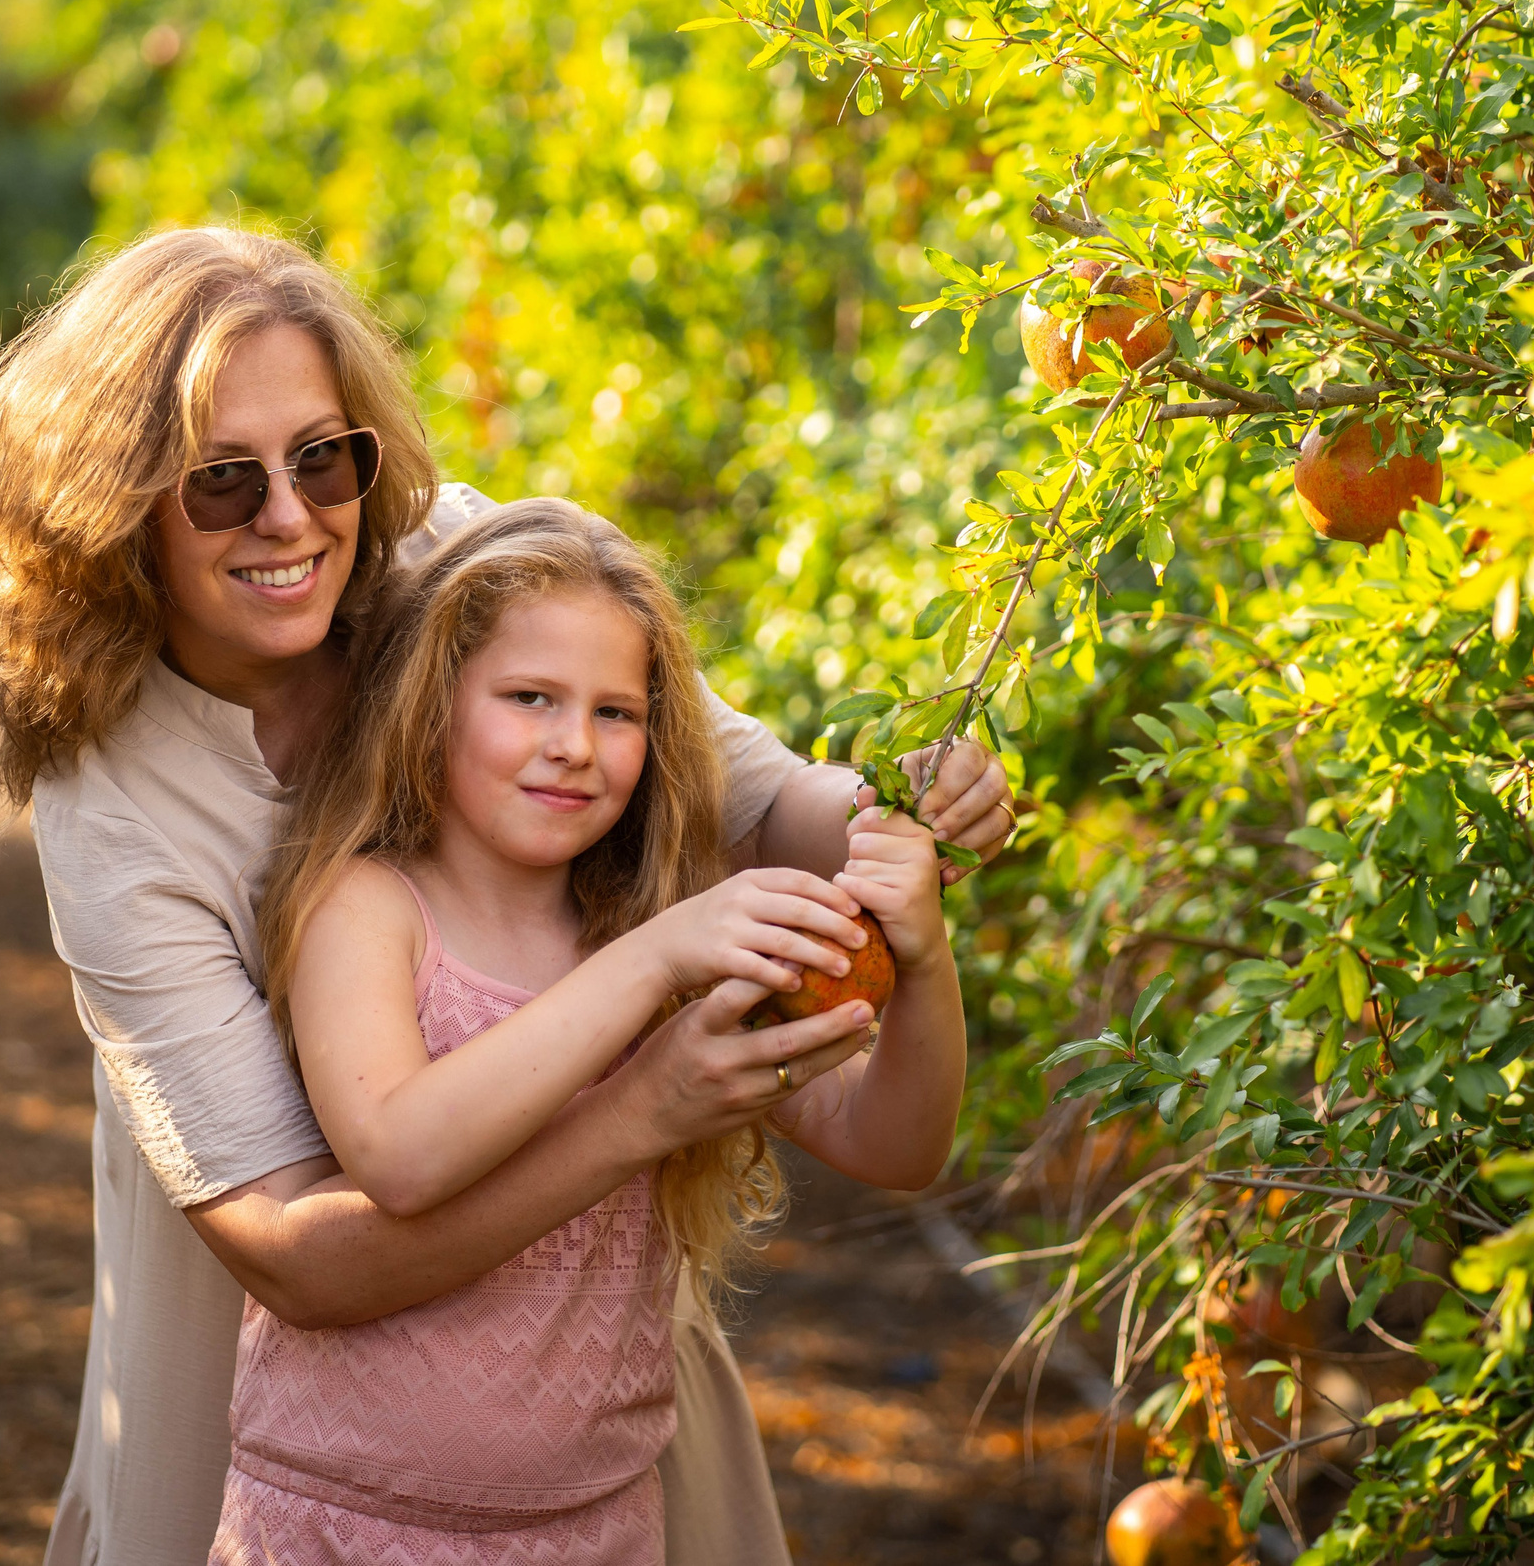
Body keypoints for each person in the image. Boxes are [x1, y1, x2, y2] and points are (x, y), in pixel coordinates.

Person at [0, 226, 1018, 1566]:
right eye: (222, 483)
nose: (291, 516)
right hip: (294, 1366)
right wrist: (649, 1092)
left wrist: (891, 821)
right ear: (113, 502)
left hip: (572, 1412)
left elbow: (744, 788)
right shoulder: (123, 807)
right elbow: (296, 1245)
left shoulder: (454, 571)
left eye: (325, 457)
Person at [208, 499, 967, 1562]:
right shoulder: (370, 910)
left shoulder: (655, 919)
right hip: (348, 1523)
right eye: (529, 699)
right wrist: (654, 963)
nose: (574, 747)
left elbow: (893, 1145)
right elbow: (399, 1154)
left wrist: (925, 961)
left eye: (617, 713)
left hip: (591, 1525)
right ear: (431, 706)